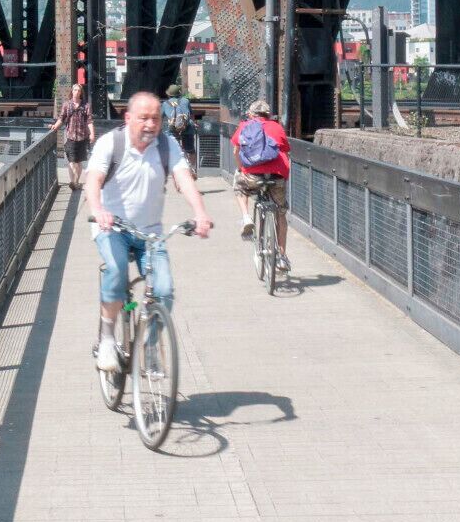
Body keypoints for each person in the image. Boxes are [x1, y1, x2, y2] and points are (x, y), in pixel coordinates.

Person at [84, 90, 213, 373]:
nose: (150, 124)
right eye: (143, 118)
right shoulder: (111, 143)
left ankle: (151, 345)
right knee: (117, 271)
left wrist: (200, 213)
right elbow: (93, 181)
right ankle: (106, 340)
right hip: (112, 227)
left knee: (164, 291)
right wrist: (99, 210)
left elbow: (184, 180)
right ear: (128, 118)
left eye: (155, 118)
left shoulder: (167, 146)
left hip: (150, 232)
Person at [232, 95, 291, 270]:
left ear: (251, 114)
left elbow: (236, 150)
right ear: (268, 114)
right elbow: (285, 151)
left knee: (239, 186)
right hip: (276, 176)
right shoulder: (277, 127)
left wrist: (242, 168)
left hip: (252, 176)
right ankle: (281, 256)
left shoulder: (244, 126)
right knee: (281, 213)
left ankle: (246, 217)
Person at [50, 81, 94, 191]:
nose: (76, 92)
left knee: (79, 162)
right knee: (71, 161)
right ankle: (73, 181)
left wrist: (92, 133)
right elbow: (61, 118)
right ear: (72, 92)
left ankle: (76, 181)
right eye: (75, 90)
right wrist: (55, 126)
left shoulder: (85, 105)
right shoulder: (66, 105)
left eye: (78, 90)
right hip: (70, 136)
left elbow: (89, 121)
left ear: (80, 93)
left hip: (82, 137)